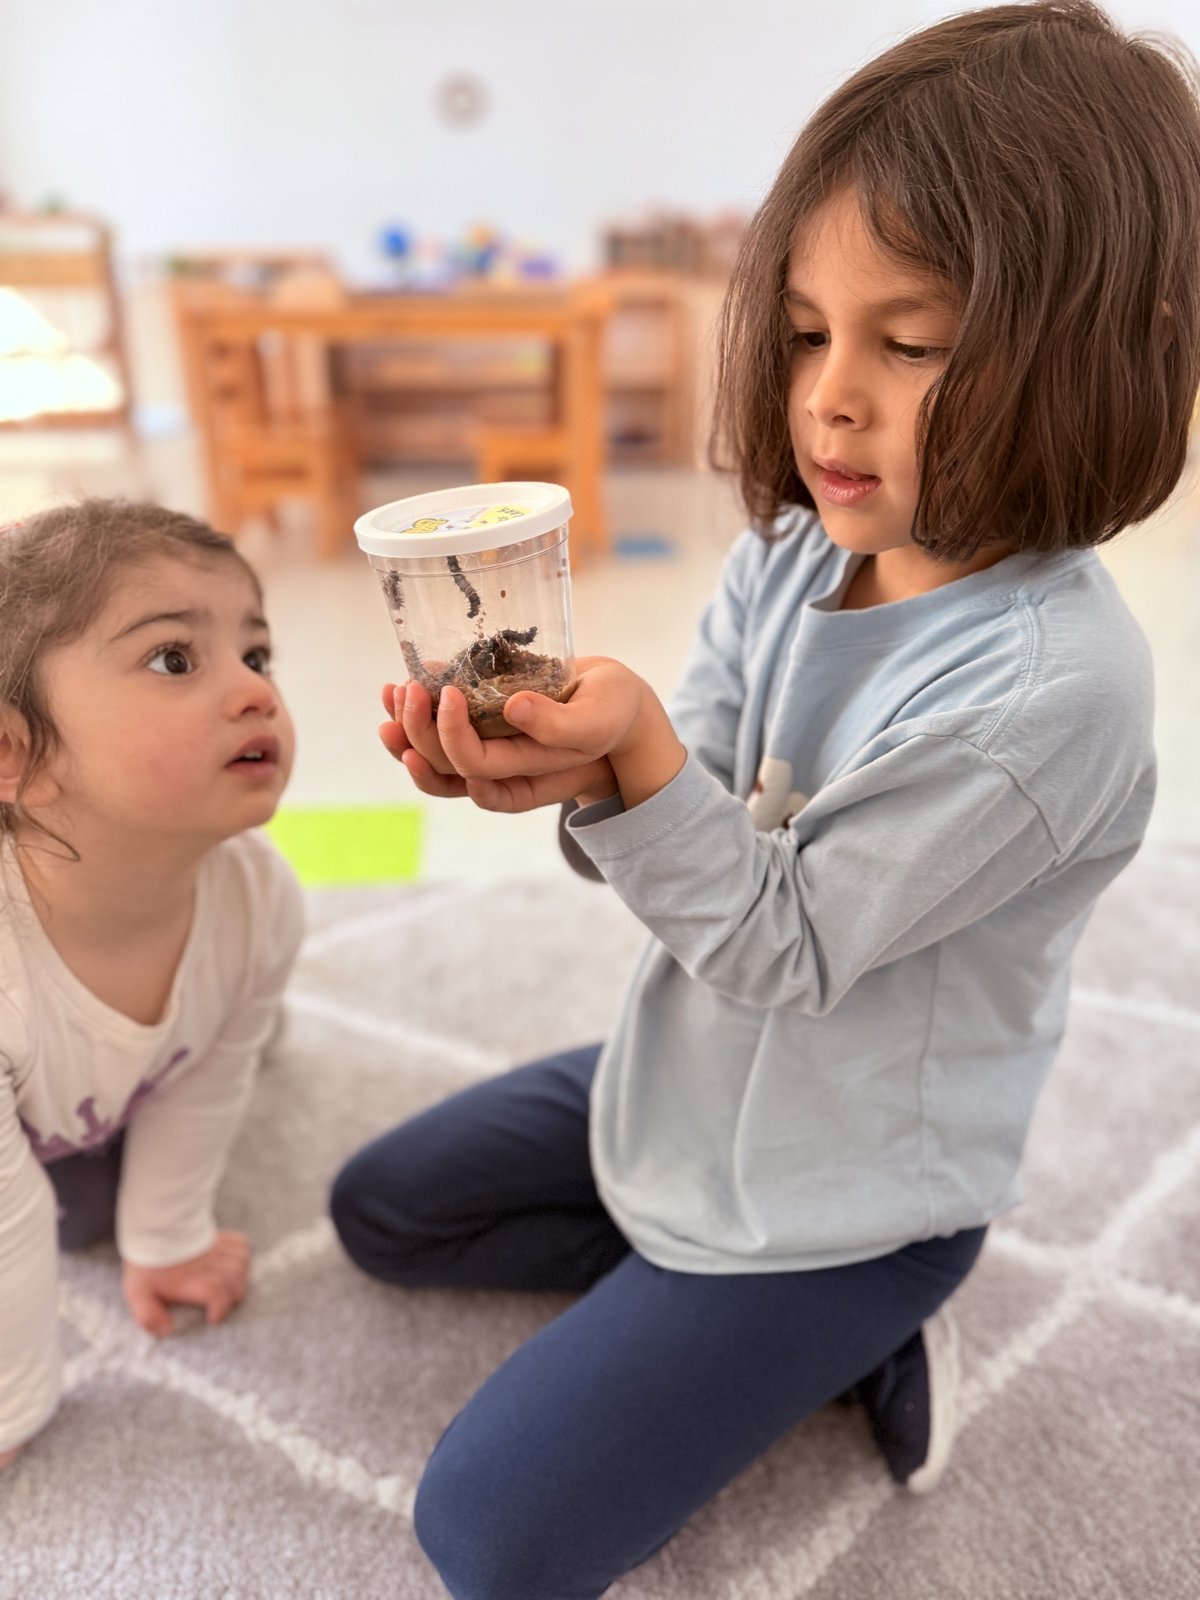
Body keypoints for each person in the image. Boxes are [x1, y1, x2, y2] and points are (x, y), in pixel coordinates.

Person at [331, 4, 1200, 1595]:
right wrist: (575, 772)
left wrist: (640, 766)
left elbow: (781, 944)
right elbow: (686, 835)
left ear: (1104, 345)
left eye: (911, 343)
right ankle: (701, 1319)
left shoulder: (1050, 690)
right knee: (386, 1211)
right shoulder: (798, 548)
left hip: (853, 1194)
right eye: (806, 331)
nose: (832, 401)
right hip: (695, 1077)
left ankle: (846, 1325)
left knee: (489, 1535)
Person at [0, 498, 302, 1472]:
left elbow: (207, 1084)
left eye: (257, 656)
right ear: (18, 755)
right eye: (175, 658)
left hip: (78, 1082)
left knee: (226, 1044)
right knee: (49, 1218)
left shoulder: (261, 901)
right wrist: (12, 1411)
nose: (255, 692)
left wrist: (167, 1238)